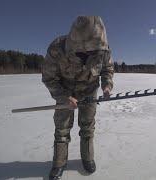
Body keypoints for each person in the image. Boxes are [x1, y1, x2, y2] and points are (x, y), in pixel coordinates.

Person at [41, 16, 114, 179]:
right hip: (64, 91)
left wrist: (107, 85)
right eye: (89, 49)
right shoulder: (57, 48)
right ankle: (59, 163)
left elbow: (107, 69)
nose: (93, 52)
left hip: (89, 91)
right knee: (62, 129)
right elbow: (49, 78)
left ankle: (87, 158)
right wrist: (64, 97)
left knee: (88, 127)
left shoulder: (103, 48)